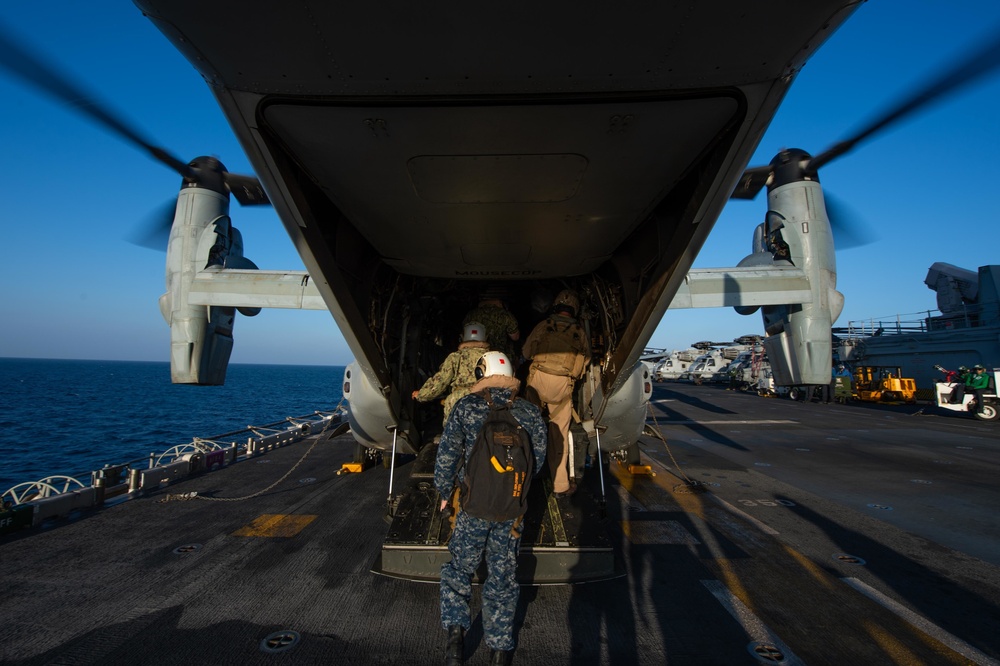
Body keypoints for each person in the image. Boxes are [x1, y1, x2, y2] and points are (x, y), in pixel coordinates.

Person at [435, 351, 547, 666]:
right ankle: (499, 651)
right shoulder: (529, 412)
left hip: (472, 507)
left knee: (459, 569)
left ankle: (456, 641)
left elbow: (446, 456)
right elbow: (536, 463)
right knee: (502, 577)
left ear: (481, 373)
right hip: (510, 510)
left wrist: (445, 492)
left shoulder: (466, 408)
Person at [522, 289, 590, 496]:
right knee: (559, 436)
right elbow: (585, 362)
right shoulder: (579, 331)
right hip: (562, 387)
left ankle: (521, 479)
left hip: (537, 381)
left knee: (527, 430)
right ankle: (560, 486)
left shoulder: (544, 326)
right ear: (574, 309)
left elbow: (526, 352)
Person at [412, 322, 490, 423]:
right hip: (488, 400)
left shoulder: (455, 357)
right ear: (486, 338)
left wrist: (421, 394)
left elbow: (440, 381)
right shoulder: (494, 356)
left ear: (462, 337)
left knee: (452, 434)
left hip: (459, 400)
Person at [464, 293, 520, 361]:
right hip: (500, 356)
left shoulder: (471, 314)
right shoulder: (505, 315)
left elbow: (465, 334)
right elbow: (515, 337)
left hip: (476, 356)